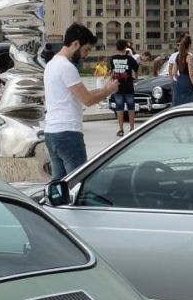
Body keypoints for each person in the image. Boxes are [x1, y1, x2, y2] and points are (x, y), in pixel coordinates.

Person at [44, 23, 119, 182]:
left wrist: (104, 89)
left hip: (52, 133)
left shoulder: (51, 64)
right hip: (68, 133)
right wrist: (108, 91)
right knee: (79, 183)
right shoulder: (67, 67)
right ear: (76, 44)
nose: (86, 54)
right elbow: (87, 100)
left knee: (59, 184)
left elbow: (82, 94)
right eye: (87, 49)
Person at [109, 39, 138, 135]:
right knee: (131, 108)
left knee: (119, 109)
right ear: (126, 47)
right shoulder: (130, 58)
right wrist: (136, 78)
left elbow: (112, 72)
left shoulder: (113, 58)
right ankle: (132, 128)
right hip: (129, 86)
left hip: (117, 87)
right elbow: (136, 68)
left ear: (116, 48)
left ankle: (121, 129)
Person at [168, 35, 193, 106]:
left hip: (180, 82)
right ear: (189, 45)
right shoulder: (189, 57)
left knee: (179, 105)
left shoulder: (178, 56)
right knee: (190, 104)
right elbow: (191, 74)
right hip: (188, 82)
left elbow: (174, 73)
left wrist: (179, 80)